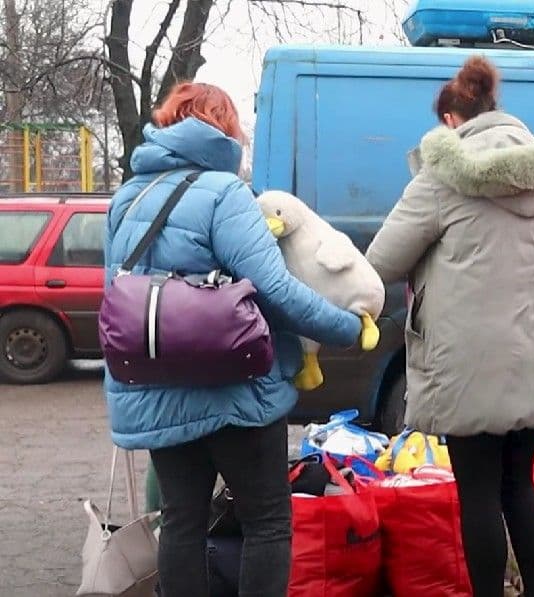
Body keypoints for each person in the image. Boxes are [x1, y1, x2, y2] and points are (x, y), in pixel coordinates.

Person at [103, 82, 365, 597]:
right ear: (223, 128)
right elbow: (275, 289)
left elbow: (114, 294)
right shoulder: (225, 193)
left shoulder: (128, 198)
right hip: (236, 392)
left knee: (181, 521)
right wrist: (346, 328)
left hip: (155, 390)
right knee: (266, 521)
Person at [364, 55, 534, 597]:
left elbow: (382, 260)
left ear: (451, 121)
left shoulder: (441, 176)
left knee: (479, 491)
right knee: (518, 486)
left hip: (469, 361)